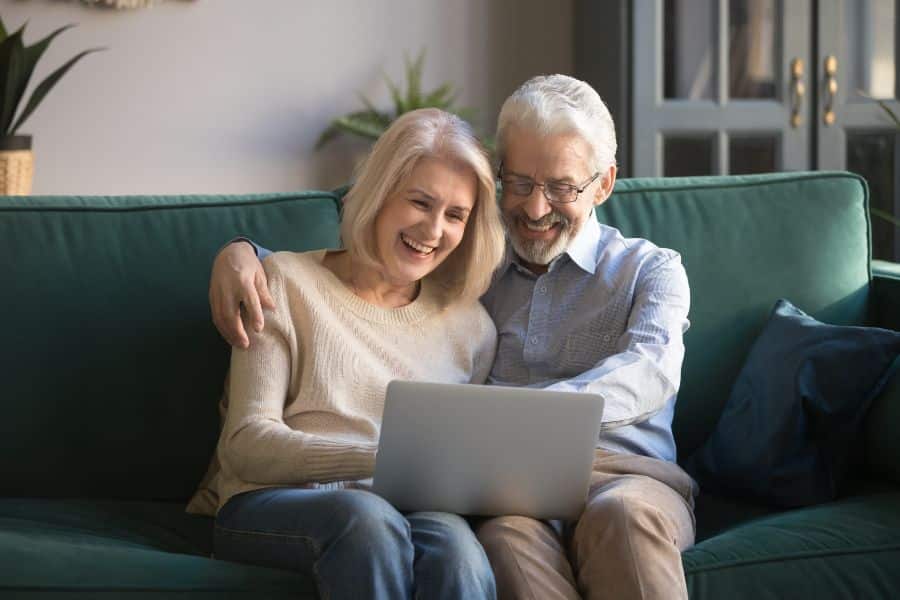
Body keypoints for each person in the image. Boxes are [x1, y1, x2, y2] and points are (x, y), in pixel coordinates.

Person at [210, 75, 698, 600]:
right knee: (502, 540)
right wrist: (241, 253)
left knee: (616, 517)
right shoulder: (475, 281)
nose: (536, 210)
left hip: (622, 479)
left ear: (602, 184)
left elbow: (653, 370)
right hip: (513, 496)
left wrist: (534, 419)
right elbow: (348, 281)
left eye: (561, 187)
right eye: (521, 184)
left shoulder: (650, 270)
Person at [187, 107, 506, 600]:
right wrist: (375, 460)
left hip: (402, 511)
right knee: (366, 519)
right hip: (269, 504)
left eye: (456, 215)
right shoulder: (283, 283)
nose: (433, 230)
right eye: (420, 202)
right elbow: (245, 443)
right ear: (379, 194)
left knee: (459, 550)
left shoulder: (473, 329)